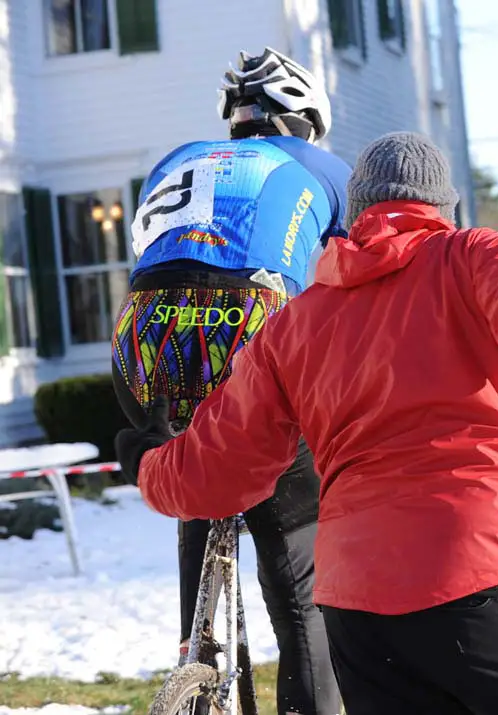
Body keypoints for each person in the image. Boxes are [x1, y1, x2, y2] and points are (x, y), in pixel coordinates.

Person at [115, 131, 498, 715]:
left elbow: (220, 470)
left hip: (357, 612)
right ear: (444, 208)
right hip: (477, 571)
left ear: (355, 215)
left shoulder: (293, 325)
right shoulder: (476, 257)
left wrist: (149, 460)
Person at [110, 47, 350, 715]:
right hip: (249, 324)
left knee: (197, 477)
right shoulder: (319, 166)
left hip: (142, 335)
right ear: (303, 121)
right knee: (293, 546)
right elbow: (370, 281)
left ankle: (197, 664)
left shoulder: (176, 160)